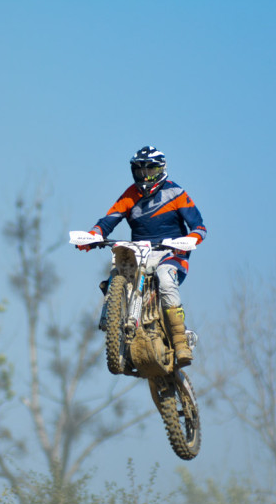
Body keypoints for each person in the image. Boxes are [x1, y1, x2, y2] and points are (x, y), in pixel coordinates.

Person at [78, 146, 207, 367]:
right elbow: (109, 219)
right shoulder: (130, 194)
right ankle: (120, 337)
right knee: (117, 272)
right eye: (140, 171)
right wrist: (93, 236)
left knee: (166, 280)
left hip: (172, 252)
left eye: (151, 170)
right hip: (141, 252)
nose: (145, 176)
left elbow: (199, 226)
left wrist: (191, 239)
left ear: (161, 169)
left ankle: (180, 342)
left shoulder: (176, 193)